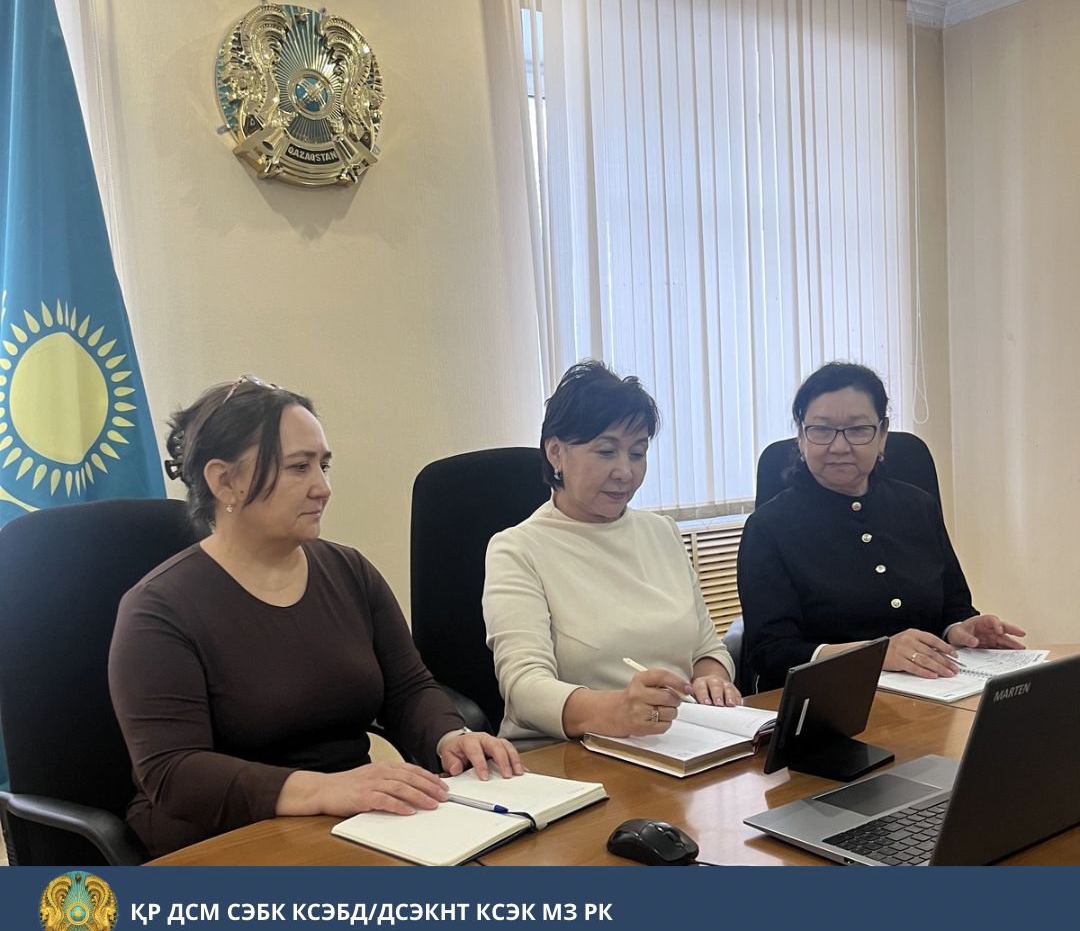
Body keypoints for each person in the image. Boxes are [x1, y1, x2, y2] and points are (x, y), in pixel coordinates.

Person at [109, 376, 521, 858]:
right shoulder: (157, 609)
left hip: (351, 819)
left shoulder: (349, 571)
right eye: (299, 467)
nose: (323, 488)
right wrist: (324, 789)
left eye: (323, 466)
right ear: (224, 481)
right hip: (221, 840)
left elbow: (408, 689)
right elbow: (174, 773)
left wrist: (451, 736)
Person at [483, 360, 740, 742]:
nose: (625, 472)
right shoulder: (518, 549)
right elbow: (523, 688)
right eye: (606, 452)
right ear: (555, 452)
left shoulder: (662, 532)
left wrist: (712, 681)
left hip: (677, 742)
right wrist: (617, 711)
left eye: (637, 453)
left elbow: (707, 647)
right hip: (567, 752)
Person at [736, 361, 1025, 690]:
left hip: (934, 692)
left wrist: (961, 629)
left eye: (858, 429)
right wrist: (876, 654)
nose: (839, 446)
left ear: (882, 434)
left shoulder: (918, 506)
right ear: (802, 437)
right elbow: (770, 652)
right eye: (822, 430)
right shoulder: (768, 527)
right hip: (829, 699)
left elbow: (953, 604)